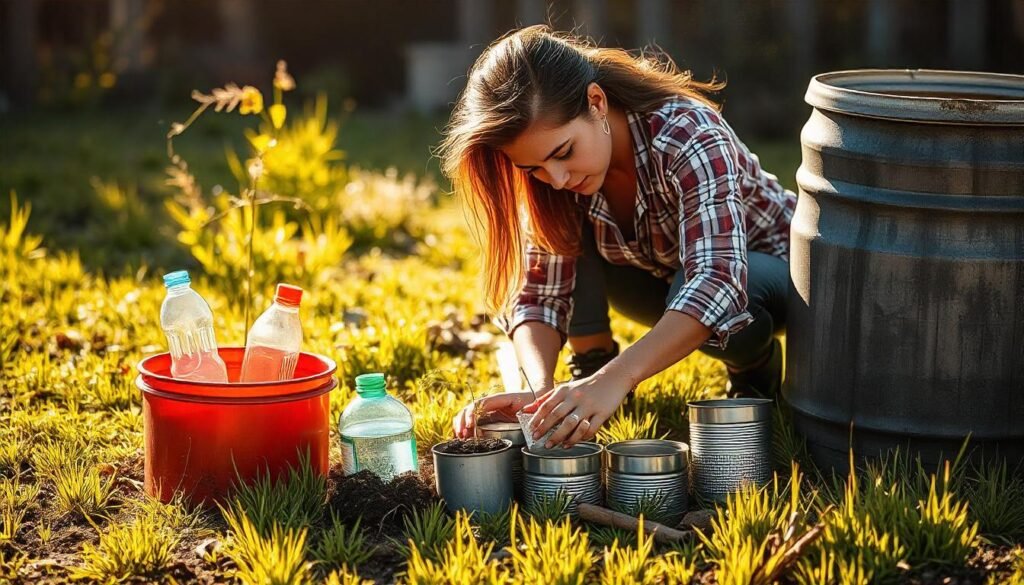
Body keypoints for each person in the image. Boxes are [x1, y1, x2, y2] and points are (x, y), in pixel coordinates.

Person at [439, 25, 795, 450]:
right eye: (534, 168)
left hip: (773, 275)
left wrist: (617, 379)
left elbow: (716, 281)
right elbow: (539, 293)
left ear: (596, 102)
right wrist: (539, 392)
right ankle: (589, 366)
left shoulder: (688, 133)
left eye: (564, 152)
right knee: (562, 231)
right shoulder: (554, 177)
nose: (556, 178)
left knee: (702, 284)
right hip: (662, 277)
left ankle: (753, 368)